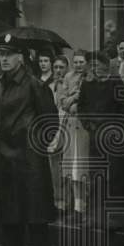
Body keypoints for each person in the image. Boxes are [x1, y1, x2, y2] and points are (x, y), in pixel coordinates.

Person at [0, 33, 57, 246]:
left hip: (29, 158)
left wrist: (35, 145)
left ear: (20, 57)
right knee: (8, 211)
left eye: (8, 55)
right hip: (4, 155)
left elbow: (50, 122)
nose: (3, 59)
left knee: (36, 215)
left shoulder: (35, 84)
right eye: (1, 54)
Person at [78, 50, 124, 222]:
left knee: (114, 176)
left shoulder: (115, 82)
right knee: (95, 175)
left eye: (97, 65)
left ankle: (113, 216)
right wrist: (88, 125)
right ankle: (93, 215)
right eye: (91, 65)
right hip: (95, 136)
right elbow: (82, 107)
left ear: (105, 65)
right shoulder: (87, 84)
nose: (93, 68)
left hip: (112, 138)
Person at [55, 51, 91, 221]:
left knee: (82, 166)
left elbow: (84, 96)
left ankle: (84, 206)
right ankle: (76, 205)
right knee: (72, 167)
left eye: (81, 62)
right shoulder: (68, 77)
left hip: (84, 126)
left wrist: (74, 97)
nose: (78, 65)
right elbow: (61, 99)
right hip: (70, 124)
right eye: (75, 62)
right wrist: (69, 101)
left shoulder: (90, 78)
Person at [48, 56, 69, 213]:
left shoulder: (69, 85)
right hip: (52, 124)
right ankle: (56, 200)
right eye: (55, 67)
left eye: (61, 67)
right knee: (53, 164)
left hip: (66, 123)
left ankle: (68, 200)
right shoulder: (49, 86)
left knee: (66, 164)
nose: (58, 71)